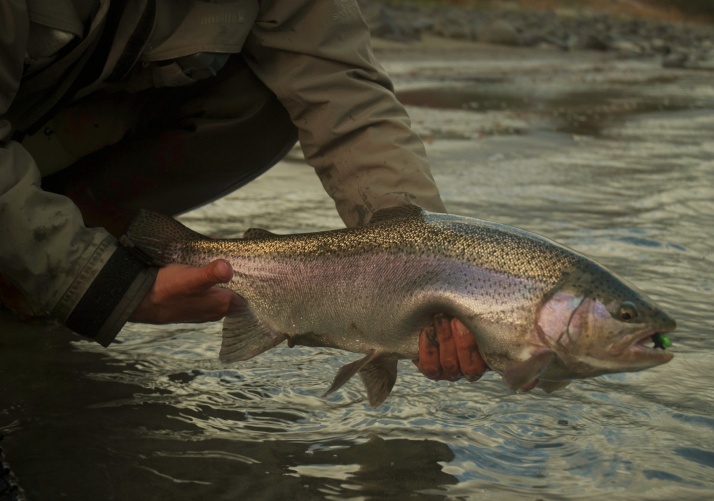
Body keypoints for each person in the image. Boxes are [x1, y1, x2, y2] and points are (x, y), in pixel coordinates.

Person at [0, 0, 486, 382]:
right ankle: (42, 257)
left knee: (264, 99)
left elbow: (346, 97)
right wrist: (100, 284)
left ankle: (34, 271)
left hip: (57, 130)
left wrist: (427, 270)